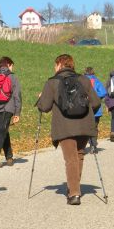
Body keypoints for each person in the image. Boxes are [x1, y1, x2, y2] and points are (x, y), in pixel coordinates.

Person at [35, 54, 102, 206]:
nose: (54, 68)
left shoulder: (52, 82)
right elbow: (96, 102)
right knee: (79, 156)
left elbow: (44, 107)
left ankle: (74, 193)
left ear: (59, 65)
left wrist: (41, 98)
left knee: (70, 158)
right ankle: (74, 188)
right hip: (84, 125)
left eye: (55, 65)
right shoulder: (84, 80)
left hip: (64, 126)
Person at [84, 66, 107, 153]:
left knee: (86, 127)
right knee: (94, 127)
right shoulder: (96, 81)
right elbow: (103, 92)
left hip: (84, 109)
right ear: (93, 73)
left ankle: (85, 144)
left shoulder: (82, 81)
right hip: (96, 109)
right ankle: (93, 145)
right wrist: (95, 97)